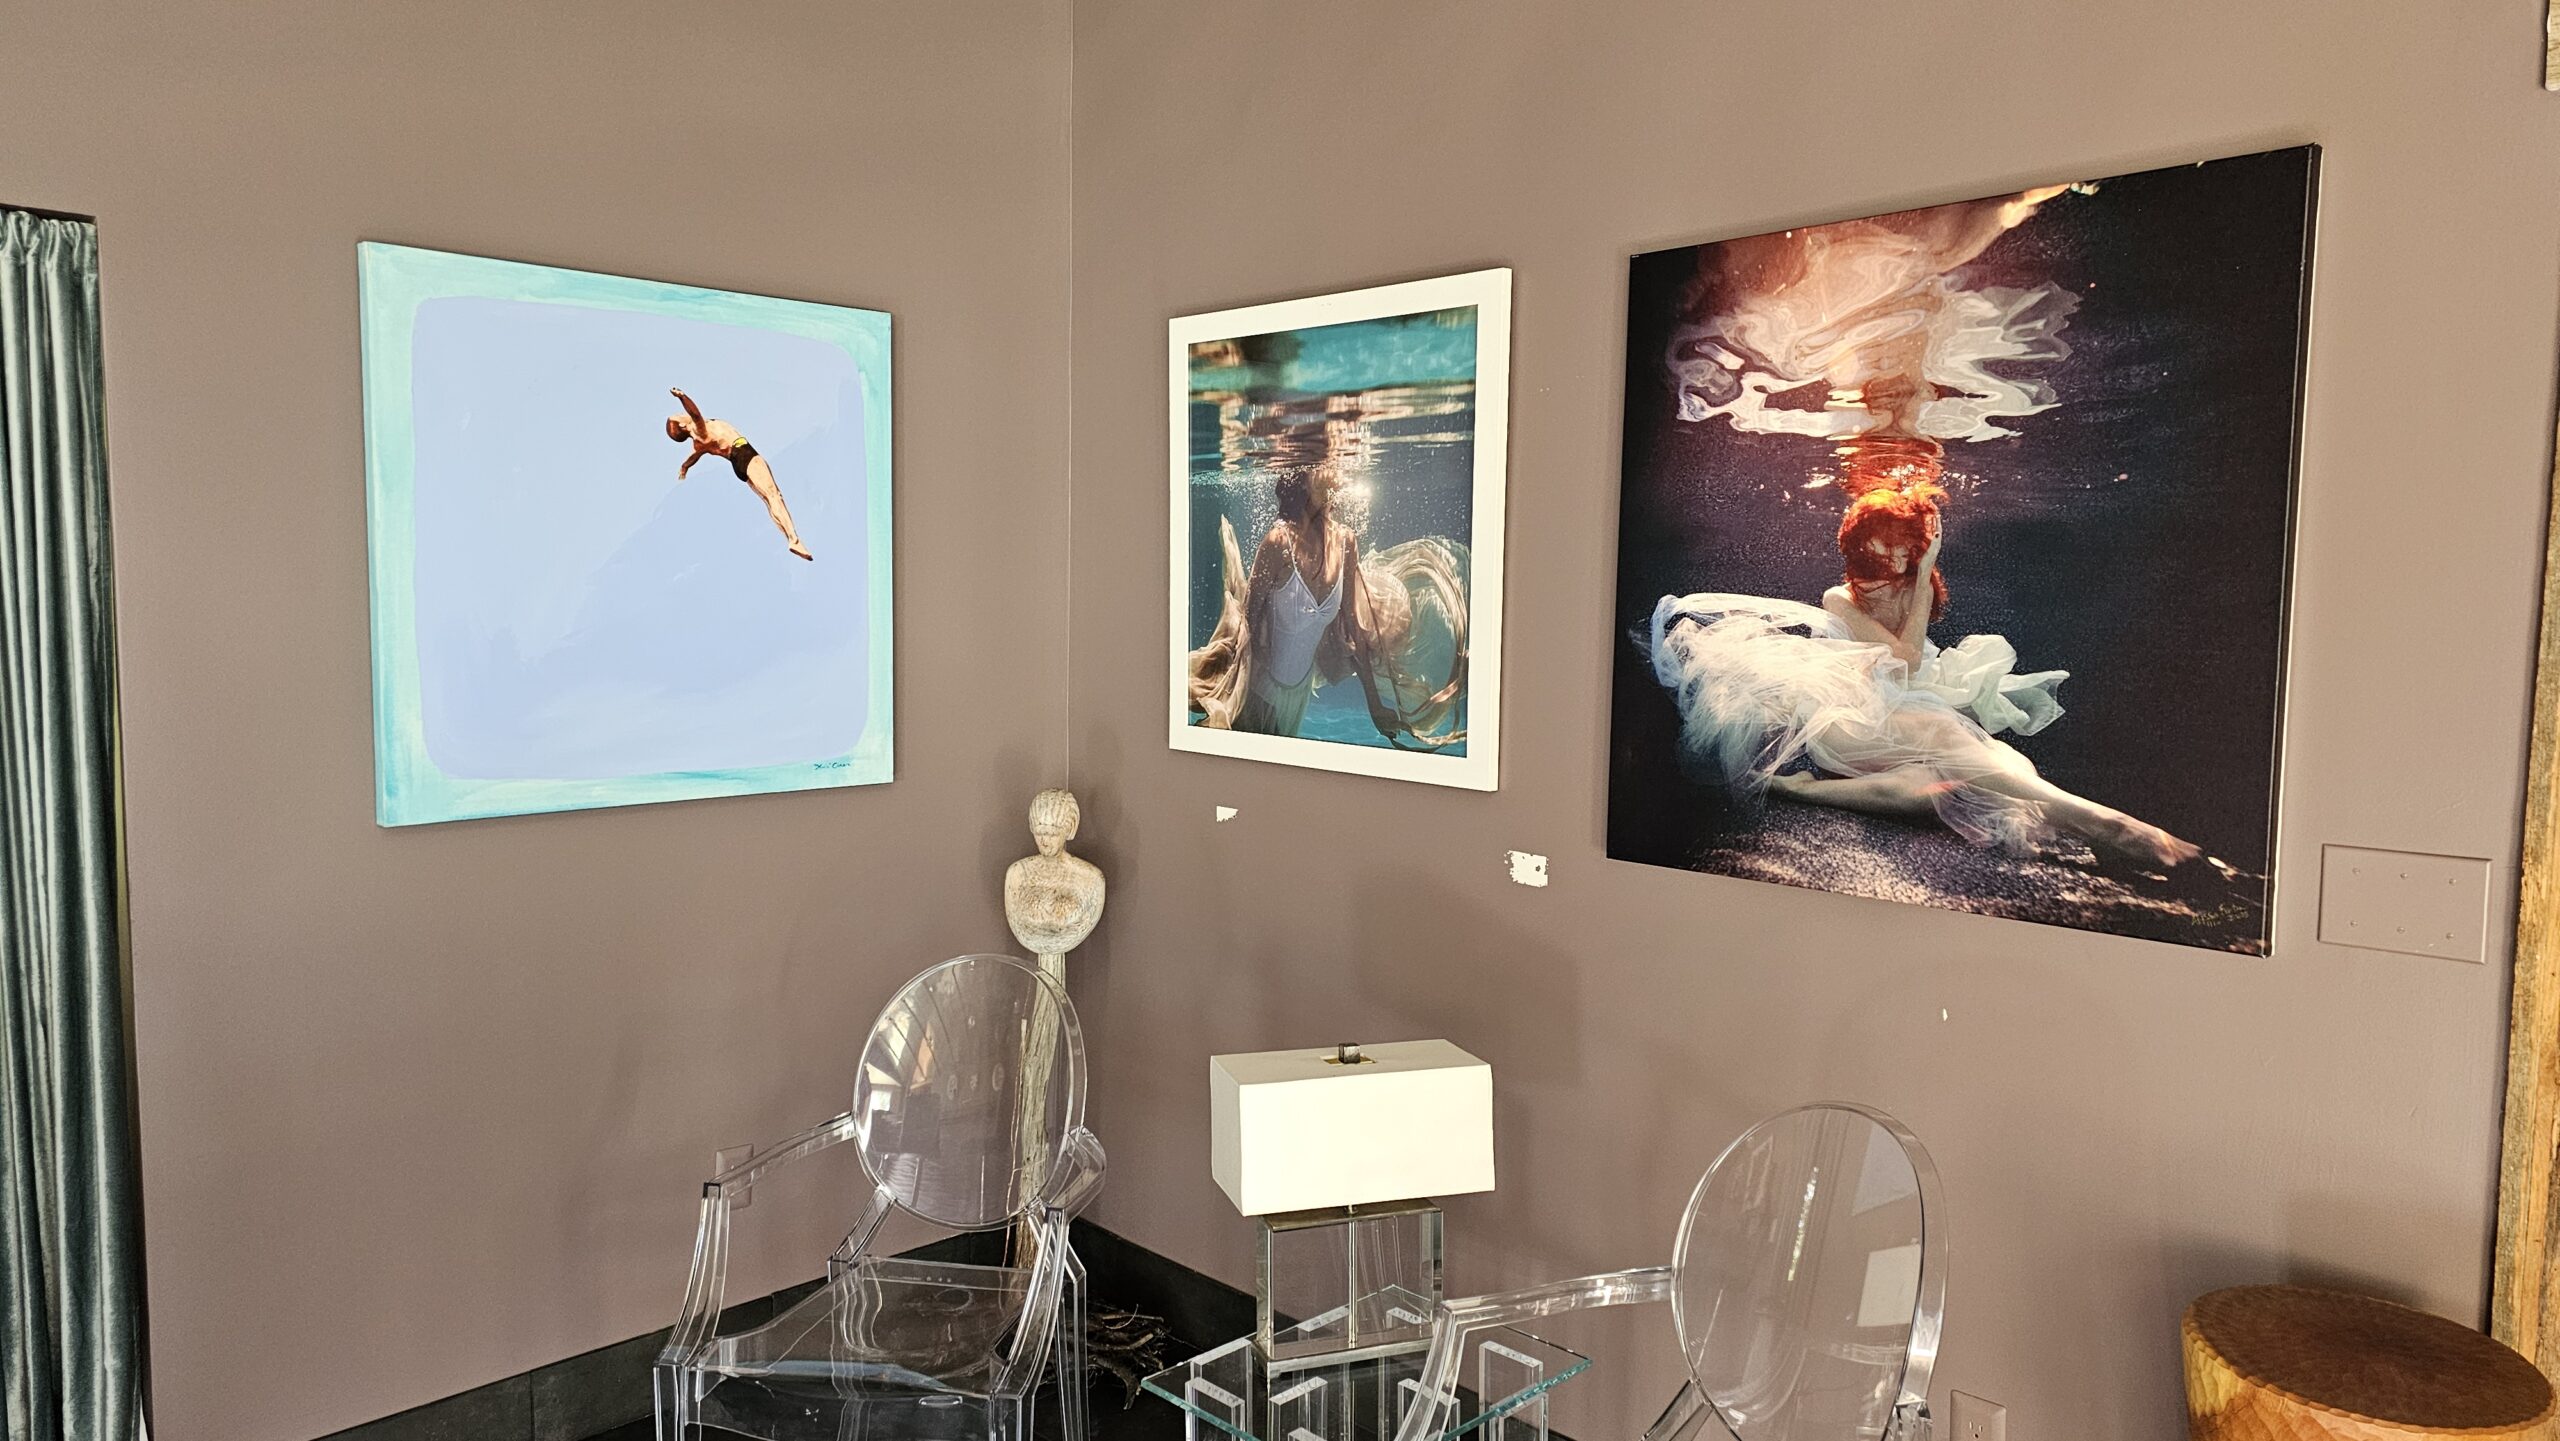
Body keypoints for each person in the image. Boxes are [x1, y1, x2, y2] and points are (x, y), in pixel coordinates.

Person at [1649, 480, 2204, 871]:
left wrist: (1921, 574)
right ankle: (2110, 826)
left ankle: (1801, 790)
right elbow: (1907, 661)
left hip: (1899, 712)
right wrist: (1922, 576)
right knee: (1950, 741)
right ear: (1860, 540)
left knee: (1943, 788)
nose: (1895, 557)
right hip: (1848, 720)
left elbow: (1909, 667)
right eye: (1885, 544)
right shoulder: (1839, 597)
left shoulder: (1912, 581)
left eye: (1907, 547)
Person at [1186, 459, 1468, 746]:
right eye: (1324, 465)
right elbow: (1246, 622)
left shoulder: (1346, 541)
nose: (1335, 470)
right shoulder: (1278, 542)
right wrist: (1233, 694)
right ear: (1304, 479)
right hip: (1258, 690)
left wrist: (1375, 706)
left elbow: (1355, 631)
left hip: (1298, 694)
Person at [665, 387, 812, 560]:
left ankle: (789, 537)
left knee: (768, 500)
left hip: (737, 464)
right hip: (744, 453)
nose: (681, 414)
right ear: (683, 425)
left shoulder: (698, 443)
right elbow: (695, 414)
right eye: (679, 415)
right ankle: (794, 539)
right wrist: (682, 397)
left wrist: (684, 467)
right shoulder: (700, 430)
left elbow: (694, 457)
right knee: (774, 495)